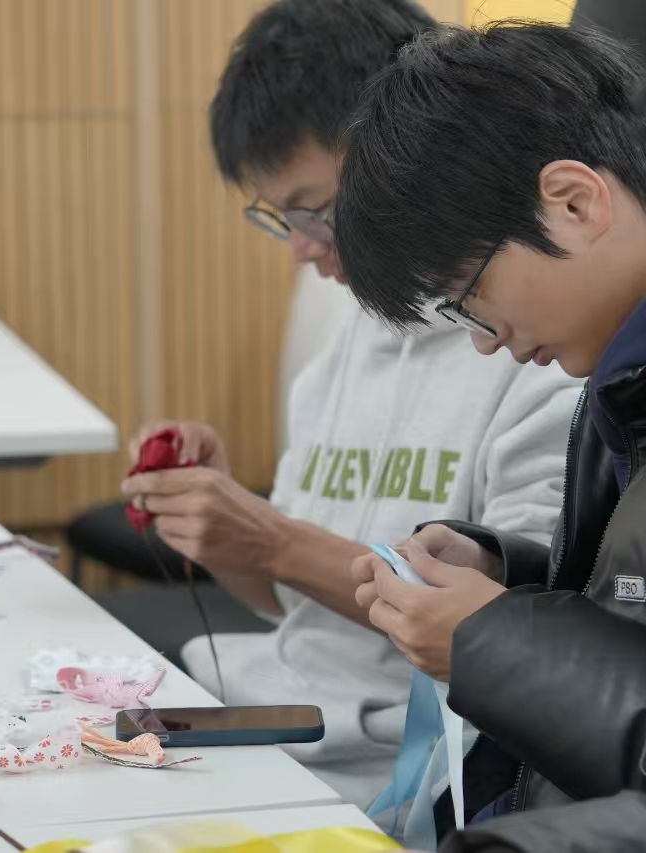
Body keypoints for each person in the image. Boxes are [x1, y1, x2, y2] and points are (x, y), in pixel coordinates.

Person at [96, 0, 582, 808]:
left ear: (407, 151)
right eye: (280, 218)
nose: (302, 247)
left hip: (386, 770)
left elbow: (506, 631)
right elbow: (286, 603)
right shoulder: (346, 347)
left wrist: (273, 537)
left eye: (314, 210)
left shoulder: (539, 351)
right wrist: (225, 527)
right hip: (261, 717)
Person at [333, 18, 646, 836]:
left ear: (573, 202)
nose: (485, 341)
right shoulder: (641, 367)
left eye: (469, 296)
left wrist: (492, 645)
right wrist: (512, 578)